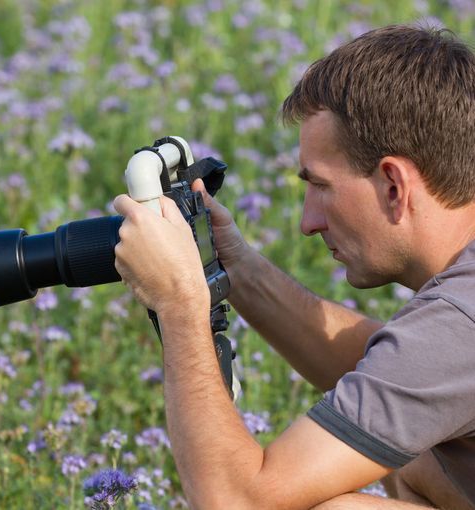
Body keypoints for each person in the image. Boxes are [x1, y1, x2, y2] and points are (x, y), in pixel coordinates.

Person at [113, 24, 475, 509]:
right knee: (419, 457)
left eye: (320, 186)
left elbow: (237, 502)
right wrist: (231, 265)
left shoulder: (460, 321)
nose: (308, 222)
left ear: (393, 185)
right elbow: (398, 371)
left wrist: (179, 301)